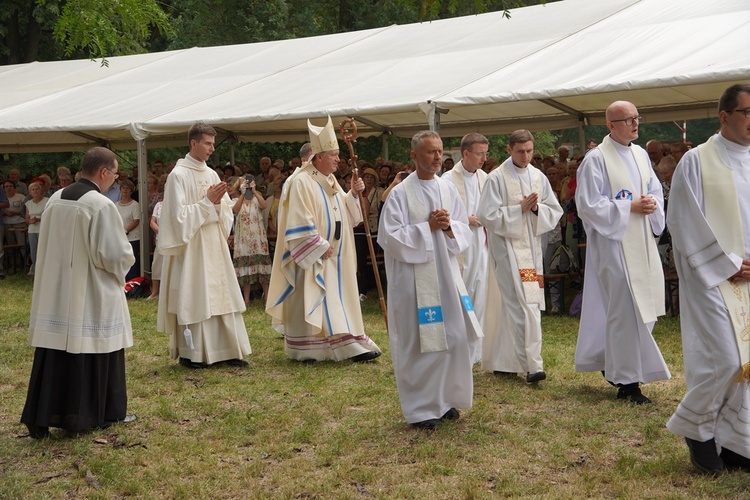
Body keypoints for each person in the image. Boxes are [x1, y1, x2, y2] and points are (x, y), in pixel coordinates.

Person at [21, 147, 136, 438]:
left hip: (55, 290)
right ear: (103, 172)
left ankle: (44, 414)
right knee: (94, 345)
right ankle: (96, 414)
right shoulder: (100, 204)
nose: (116, 179)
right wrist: (125, 264)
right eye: (116, 173)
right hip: (89, 289)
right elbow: (114, 254)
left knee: (54, 353)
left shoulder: (55, 199)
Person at [666, 84, 750, 474]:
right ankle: (697, 430)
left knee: (749, 363)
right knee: (728, 359)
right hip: (713, 277)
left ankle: (734, 443)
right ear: (724, 116)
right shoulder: (697, 161)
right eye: (747, 112)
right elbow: (683, 219)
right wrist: (726, 262)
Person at [378, 130, 482, 429]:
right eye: (429, 152)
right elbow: (390, 238)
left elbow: (463, 229)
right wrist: (427, 227)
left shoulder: (448, 189)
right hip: (413, 280)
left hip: (446, 276)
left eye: (439, 151)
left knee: (454, 337)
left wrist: (449, 228)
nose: (437, 157)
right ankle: (422, 409)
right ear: (414, 156)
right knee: (422, 342)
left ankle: (445, 399)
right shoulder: (399, 194)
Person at [574, 100, 670, 404]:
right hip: (613, 245)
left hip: (640, 241)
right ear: (611, 125)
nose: (635, 124)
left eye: (636, 118)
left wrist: (652, 204)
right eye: (628, 120)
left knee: (644, 306)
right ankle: (626, 383)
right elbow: (588, 205)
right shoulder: (596, 159)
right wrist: (629, 206)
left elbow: (653, 189)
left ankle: (617, 364)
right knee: (625, 309)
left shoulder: (641, 154)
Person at [266, 116, 381, 362]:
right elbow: (298, 218)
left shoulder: (329, 180)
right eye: (334, 155)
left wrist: (352, 192)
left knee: (336, 300)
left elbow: (344, 212)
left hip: (336, 256)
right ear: (318, 156)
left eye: (339, 154)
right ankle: (308, 349)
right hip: (316, 255)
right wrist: (317, 245)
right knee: (313, 296)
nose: (339, 160)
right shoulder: (300, 181)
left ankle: (345, 342)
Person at [157, 122, 251, 369]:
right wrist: (207, 202)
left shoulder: (211, 174)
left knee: (221, 292)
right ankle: (194, 352)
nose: (211, 149)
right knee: (197, 293)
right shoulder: (178, 175)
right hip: (193, 245)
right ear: (193, 143)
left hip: (213, 243)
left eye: (213, 143)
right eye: (207, 143)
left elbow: (226, 210)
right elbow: (176, 218)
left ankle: (228, 349)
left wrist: (219, 205)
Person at [477, 130, 563, 382]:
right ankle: (532, 364)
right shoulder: (497, 178)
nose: (525, 156)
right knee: (521, 305)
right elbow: (487, 215)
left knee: (528, 303)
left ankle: (505, 360)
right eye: (520, 151)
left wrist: (536, 209)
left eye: (529, 151)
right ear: (509, 150)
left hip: (532, 253)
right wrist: (518, 210)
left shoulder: (538, 176)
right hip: (509, 253)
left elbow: (553, 210)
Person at [441, 133, 490, 363]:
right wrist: (464, 220)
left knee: (480, 294)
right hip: (459, 245)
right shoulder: (448, 179)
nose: (483, 159)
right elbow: (441, 212)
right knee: (461, 296)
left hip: (481, 243)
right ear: (466, 153)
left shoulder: (485, 177)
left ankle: (476, 351)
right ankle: (458, 348)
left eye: (485, 153)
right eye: (479, 154)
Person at [231, 176, 271, 304]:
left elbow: (264, 205)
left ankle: (267, 297)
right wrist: (243, 195)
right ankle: (246, 299)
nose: (246, 186)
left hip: (258, 237)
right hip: (243, 239)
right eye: (243, 185)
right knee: (245, 267)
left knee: (262, 267)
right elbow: (235, 210)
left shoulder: (256, 199)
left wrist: (253, 191)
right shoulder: (235, 200)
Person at [116, 179, 141, 281]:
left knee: (132, 262)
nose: (125, 190)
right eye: (123, 188)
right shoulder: (115, 205)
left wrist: (126, 231)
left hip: (132, 238)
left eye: (127, 188)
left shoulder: (135, 205)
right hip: (119, 238)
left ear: (131, 191)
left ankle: (133, 284)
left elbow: (136, 220)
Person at [24, 181, 48, 275]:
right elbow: (26, 218)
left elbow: (50, 216)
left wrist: (39, 219)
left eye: (37, 189)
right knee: (33, 252)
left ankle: (45, 271)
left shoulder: (47, 201)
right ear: (30, 192)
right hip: (32, 230)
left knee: (43, 251)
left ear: (41, 190)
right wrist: (30, 221)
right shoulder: (28, 203)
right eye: (33, 189)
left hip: (43, 229)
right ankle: (35, 271)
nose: (35, 191)